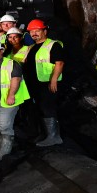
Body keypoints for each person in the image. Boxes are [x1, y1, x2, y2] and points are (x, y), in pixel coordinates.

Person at [22, 19, 65, 147]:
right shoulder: (31, 47)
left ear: (45, 31)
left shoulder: (53, 45)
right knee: (40, 108)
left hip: (47, 83)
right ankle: (45, 134)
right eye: (32, 31)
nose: (34, 33)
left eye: (37, 30)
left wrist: (54, 80)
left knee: (47, 108)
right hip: (35, 84)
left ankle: (54, 137)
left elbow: (60, 63)